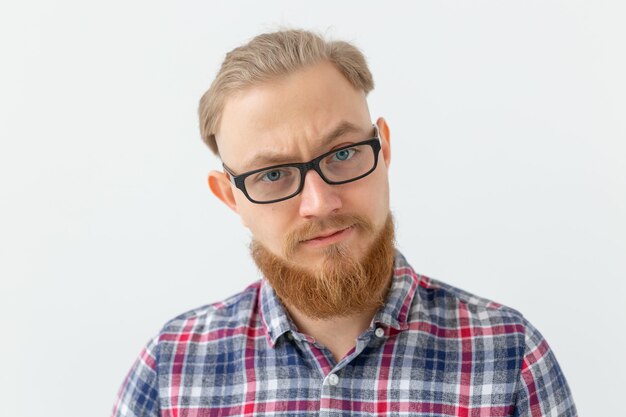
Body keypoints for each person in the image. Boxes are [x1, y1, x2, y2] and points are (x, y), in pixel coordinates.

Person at [111, 29, 577, 416]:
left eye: (343, 153)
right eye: (273, 175)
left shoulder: (510, 356)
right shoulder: (170, 371)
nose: (320, 202)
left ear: (385, 149)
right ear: (230, 197)